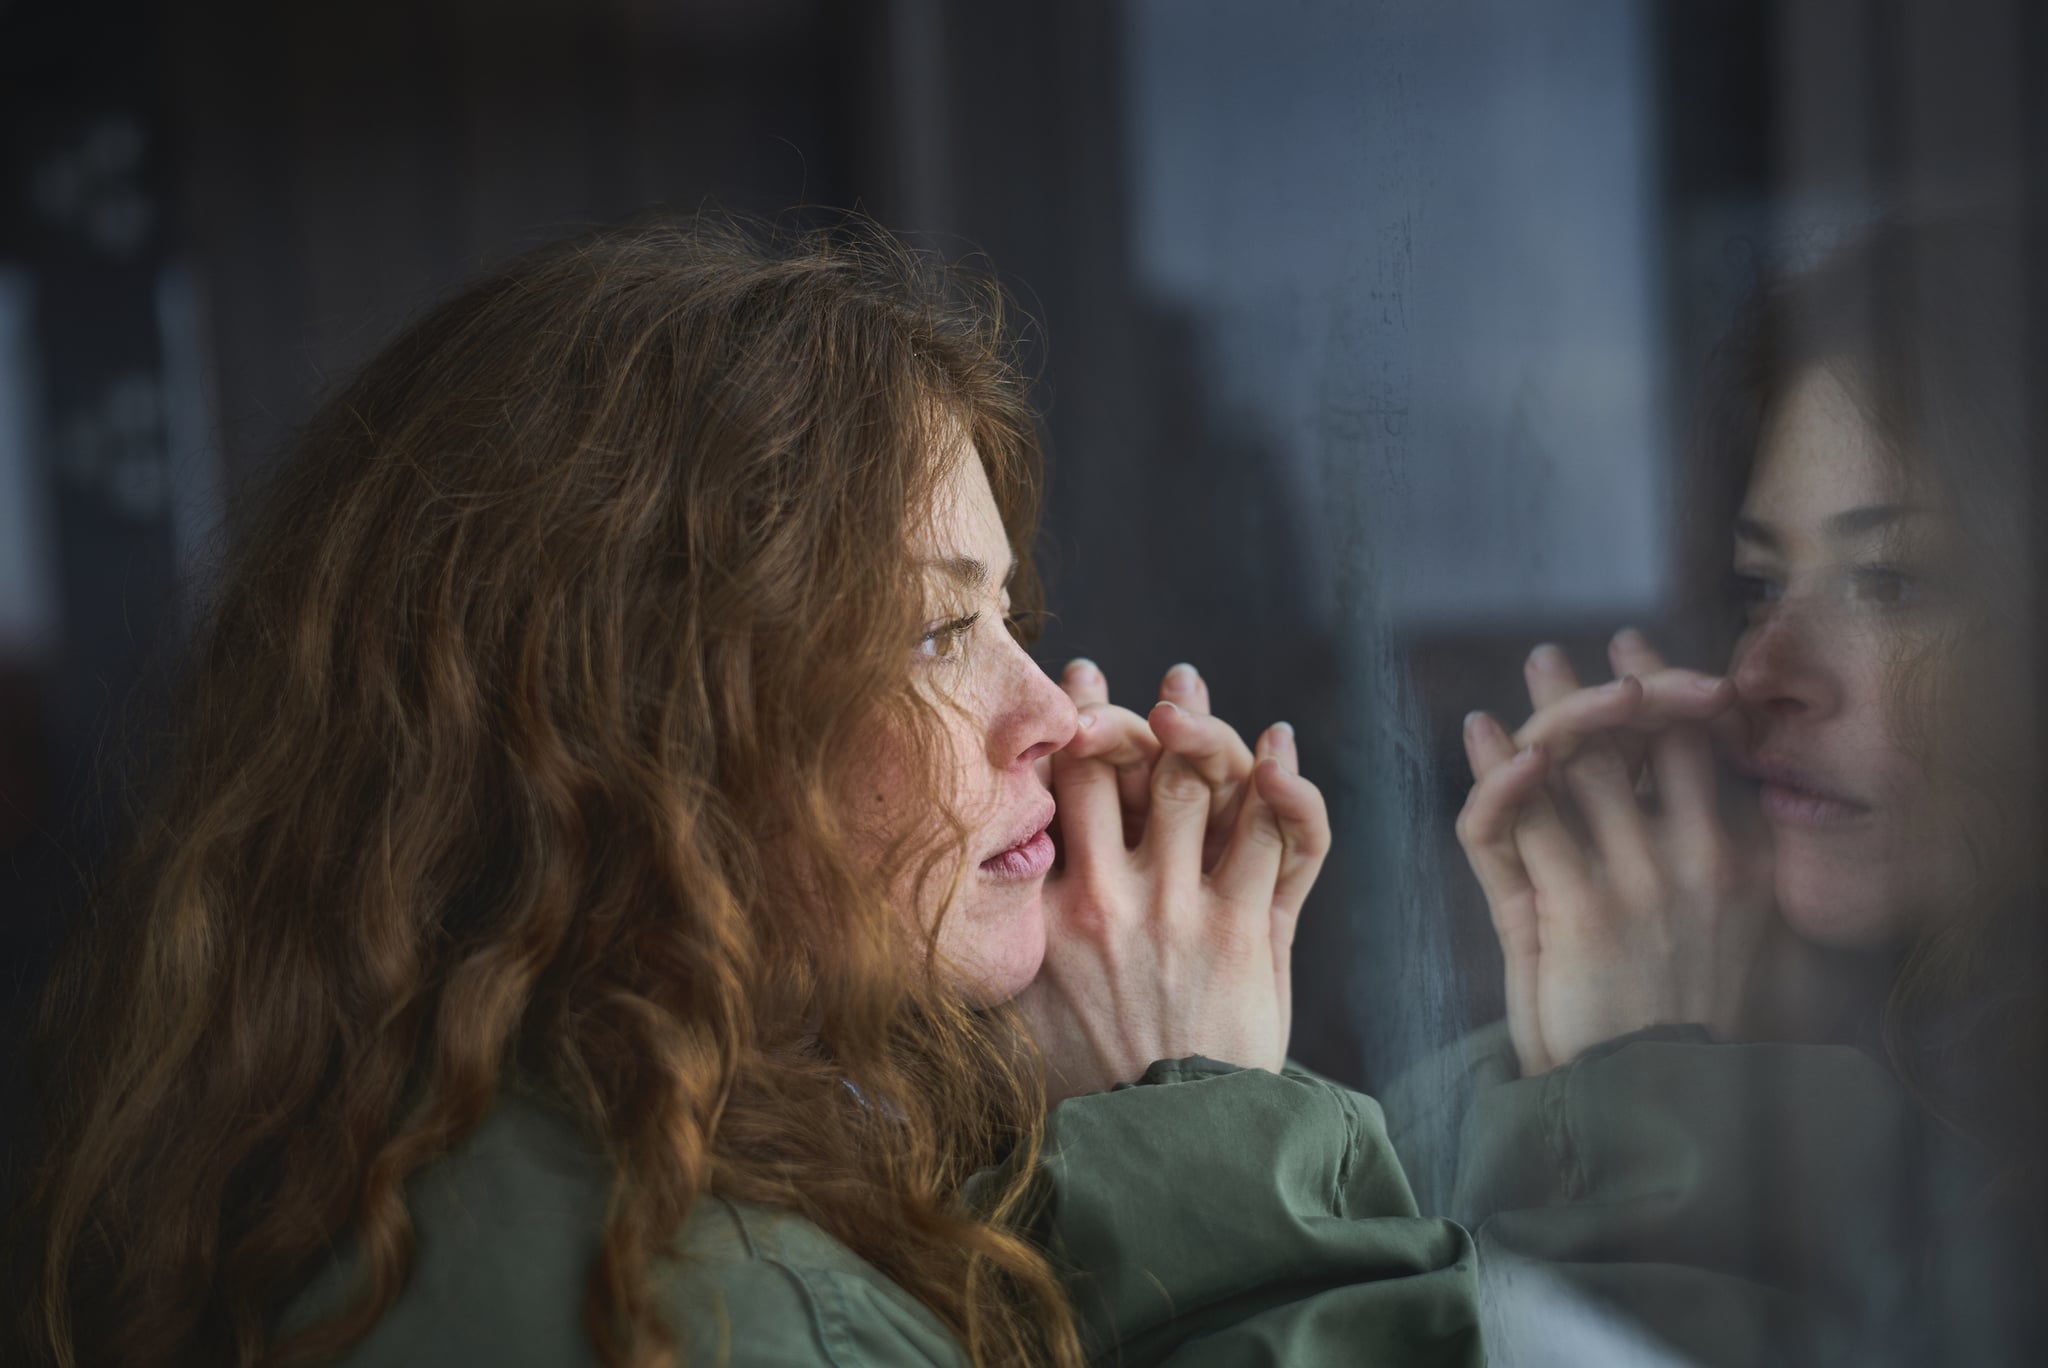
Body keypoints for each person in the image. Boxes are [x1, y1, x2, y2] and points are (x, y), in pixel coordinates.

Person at [4, 217, 1482, 1367]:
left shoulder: (468, 1148)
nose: (1058, 714)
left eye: (1009, 619)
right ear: (638, 725)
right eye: (936, 630)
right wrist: (1213, 1141)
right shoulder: (700, 1305)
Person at [1400, 211, 2047, 1365]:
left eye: (1888, 581)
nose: (1762, 673)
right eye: (1757, 585)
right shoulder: (1815, 1023)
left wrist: (1647, 1093)